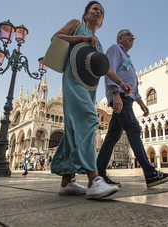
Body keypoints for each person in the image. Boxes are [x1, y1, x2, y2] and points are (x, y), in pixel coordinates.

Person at [50, 1, 132, 199]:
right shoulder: (76, 25)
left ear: (102, 22)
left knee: (72, 129)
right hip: (74, 81)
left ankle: (66, 181)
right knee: (89, 119)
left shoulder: (99, 43)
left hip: (90, 87)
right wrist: (81, 37)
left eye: (102, 12)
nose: (98, 12)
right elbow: (55, 37)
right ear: (85, 14)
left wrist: (121, 83)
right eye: (95, 9)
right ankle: (94, 180)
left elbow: (106, 68)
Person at [96, 29, 168, 188]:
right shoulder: (115, 49)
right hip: (120, 97)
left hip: (127, 99)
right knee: (133, 129)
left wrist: (141, 103)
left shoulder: (128, 60)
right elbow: (108, 69)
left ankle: (99, 175)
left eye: (133, 35)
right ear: (120, 38)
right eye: (128, 34)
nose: (132, 37)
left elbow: (133, 86)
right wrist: (115, 93)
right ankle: (150, 173)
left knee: (112, 136)